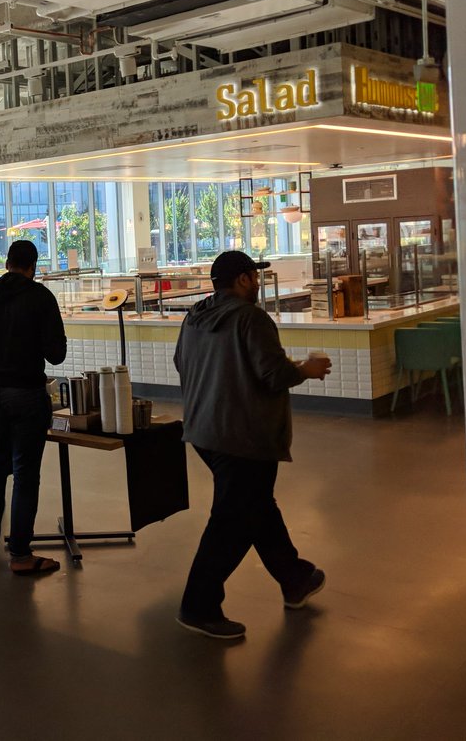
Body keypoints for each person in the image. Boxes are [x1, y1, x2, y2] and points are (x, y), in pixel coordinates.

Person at [173, 251, 332, 640]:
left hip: (204, 431)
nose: (258, 284)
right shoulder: (251, 319)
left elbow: (180, 362)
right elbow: (273, 374)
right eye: (254, 277)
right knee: (232, 522)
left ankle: (295, 578)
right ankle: (198, 606)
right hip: (243, 435)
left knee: (256, 506)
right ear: (243, 280)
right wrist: (306, 369)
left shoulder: (194, 317)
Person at [0, 239, 66, 576]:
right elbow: (57, 354)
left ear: (7, 263)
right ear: (33, 267)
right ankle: (20, 555)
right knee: (25, 473)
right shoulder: (40, 297)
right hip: (25, 392)